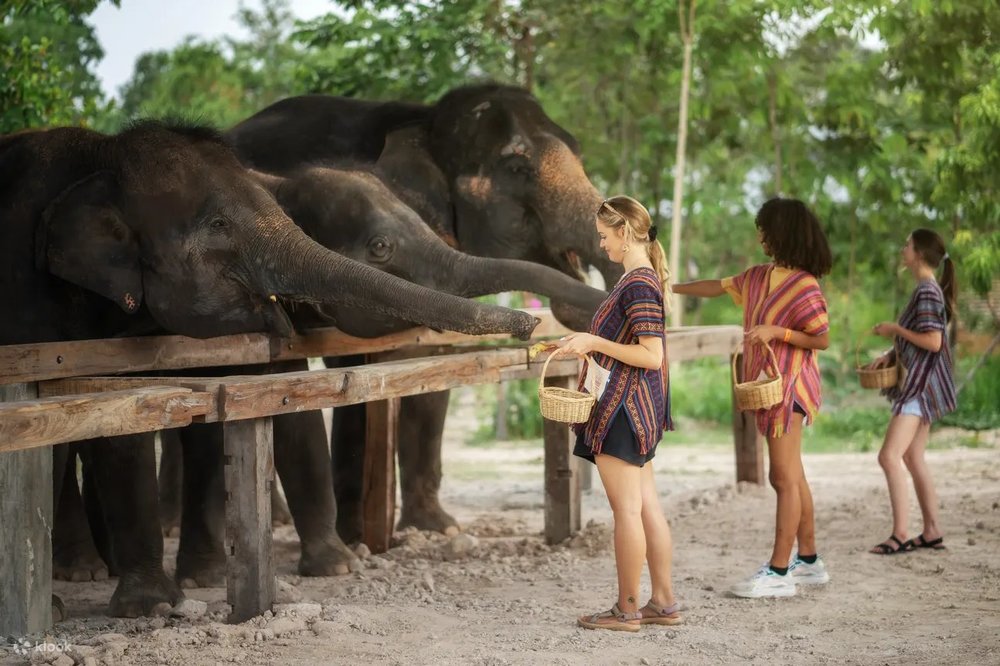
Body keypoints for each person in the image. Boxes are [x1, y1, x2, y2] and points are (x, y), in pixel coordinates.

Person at [671, 197, 832, 598]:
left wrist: (778, 334)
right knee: (793, 473)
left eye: (764, 229)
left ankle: (779, 573)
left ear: (780, 233)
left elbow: (822, 337)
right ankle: (809, 562)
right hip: (768, 387)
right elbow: (717, 286)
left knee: (781, 477)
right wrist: (668, 286)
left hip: (791, 386)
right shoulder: (758, 277)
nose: (759, 235)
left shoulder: (805, 285)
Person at [553, 195, 679, 632]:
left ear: (624, 234)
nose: (601, 245)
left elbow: (651, 355)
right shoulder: (638, 280)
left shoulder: (639, 284)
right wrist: (580, 341)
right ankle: (662, 602)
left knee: (627, 511)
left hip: (624, 410)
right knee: (645, 507)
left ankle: (626, 610)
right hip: (639, 407)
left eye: (605, 237)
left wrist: (593, 344)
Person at [867, 229, 956, 555]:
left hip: (920, 389)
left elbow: (933, 341)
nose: (903, 249)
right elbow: (920, 341)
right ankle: (931, 529)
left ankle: (901, 533)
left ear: (918, 254)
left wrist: (894, 329)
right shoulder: (925, 290)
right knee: (912, 456)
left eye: (907, 245)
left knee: (889, 456)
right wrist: (890, 355)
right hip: (924, 385)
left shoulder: (927, 292)